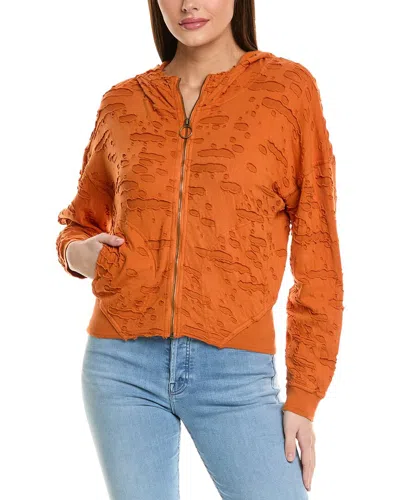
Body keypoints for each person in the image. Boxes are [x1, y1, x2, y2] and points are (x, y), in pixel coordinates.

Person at [56, 1, 344, 498]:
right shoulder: (123, 103)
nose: (188, 3)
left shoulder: (286, 91)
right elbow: (78, 223)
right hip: (120, 366)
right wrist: (76, 255)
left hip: (235, 372)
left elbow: (318, 252)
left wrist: (304, 395)